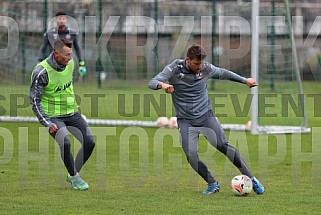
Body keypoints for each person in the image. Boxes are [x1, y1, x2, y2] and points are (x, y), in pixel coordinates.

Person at [148, 44, 264, 195]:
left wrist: (244, 80)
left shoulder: (205, 68)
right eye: (196, 64)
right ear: (188, 60)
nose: (199, 67)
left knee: (223, 145)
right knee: (191, 155)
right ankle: (212, 183)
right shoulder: (174, 68)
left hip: (206, 117)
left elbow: (223, 73)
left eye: (201, 63)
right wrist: (162, 85)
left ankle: (251, 178)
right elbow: (152, 82)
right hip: (185, 121)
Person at [30, 38, 95, 190]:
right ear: (56, 53)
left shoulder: (71, 63)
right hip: (53, 116)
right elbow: (34, 101)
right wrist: (47, 122)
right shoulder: (41, 72)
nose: (70, 58)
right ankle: (74, 177)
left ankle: (72, 171)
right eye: (66, 55)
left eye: (71, 54)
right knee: (65, 142)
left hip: (72, 112)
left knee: (90, 142)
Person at [37, 11, 87, 77]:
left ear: (66, 20)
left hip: (68, 63)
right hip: (53, 63)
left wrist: (81, 62)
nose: (61, 21)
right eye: (59, 18)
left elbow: (78, 48)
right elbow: (42, 48)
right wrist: (39, 61)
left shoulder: (72, 33)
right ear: (56, 19)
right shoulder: (49, 33)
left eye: (63, 19)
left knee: (67, 85)